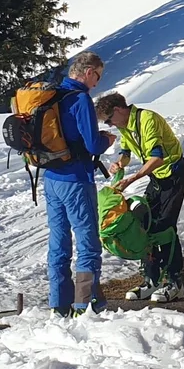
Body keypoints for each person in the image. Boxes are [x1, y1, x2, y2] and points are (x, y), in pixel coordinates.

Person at [96, 91, 184, 302]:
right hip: (157, 177)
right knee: (145, 223)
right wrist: (120, 163)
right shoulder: (124, 125)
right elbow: (126, 152)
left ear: (119, 110)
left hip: (172, 173)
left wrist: (133, 178)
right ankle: (151, 278)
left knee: (166, 227)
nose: (110, 125)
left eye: (109, 120)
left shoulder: (147, 120)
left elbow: (157, 157)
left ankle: (175, 281)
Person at [42, 51, 114, 316]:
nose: (97, 83)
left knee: (58, 242)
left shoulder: (53, 95)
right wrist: (107, 139)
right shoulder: (81, 98)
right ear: (88, 72)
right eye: (97, 76)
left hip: (51, 178)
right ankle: (85, 306)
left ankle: (58, 304)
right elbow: (93, 144)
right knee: (88, 242)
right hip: (76, 179)